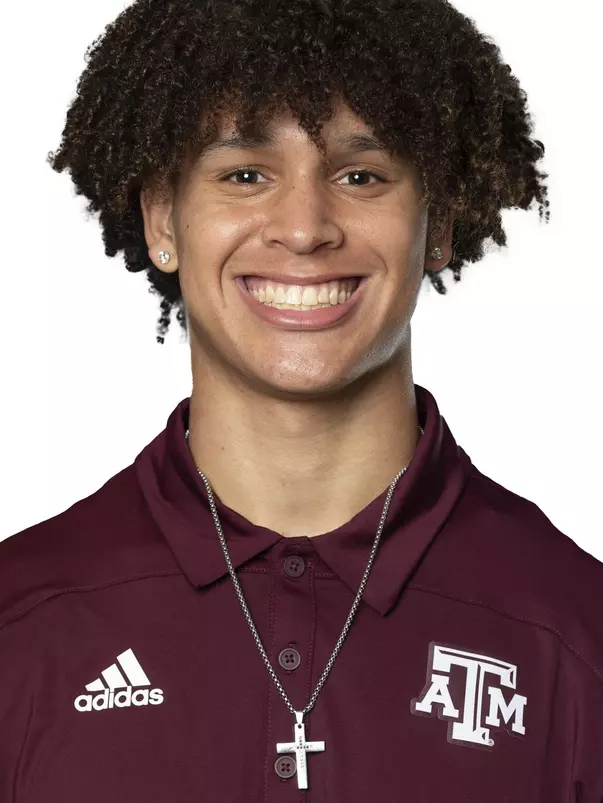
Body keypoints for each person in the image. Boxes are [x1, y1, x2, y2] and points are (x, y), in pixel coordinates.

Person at [1, 0, 601, 800]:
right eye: (245, 175)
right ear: (161, 218)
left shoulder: (573, 629)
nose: (304, 227)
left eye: (360, 176)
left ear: (441, 218)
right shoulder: (22, 621)